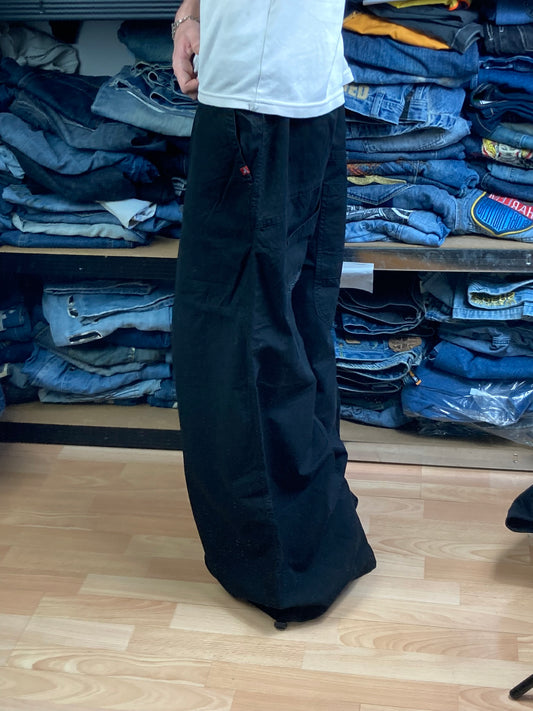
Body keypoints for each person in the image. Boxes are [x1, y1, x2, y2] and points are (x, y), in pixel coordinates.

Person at [171, 0, 376, 626]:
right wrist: (191, 13)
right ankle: (314, 541)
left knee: (237, 339)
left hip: (262, 96)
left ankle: (286, 566)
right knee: (289, 325)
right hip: (291, 86)